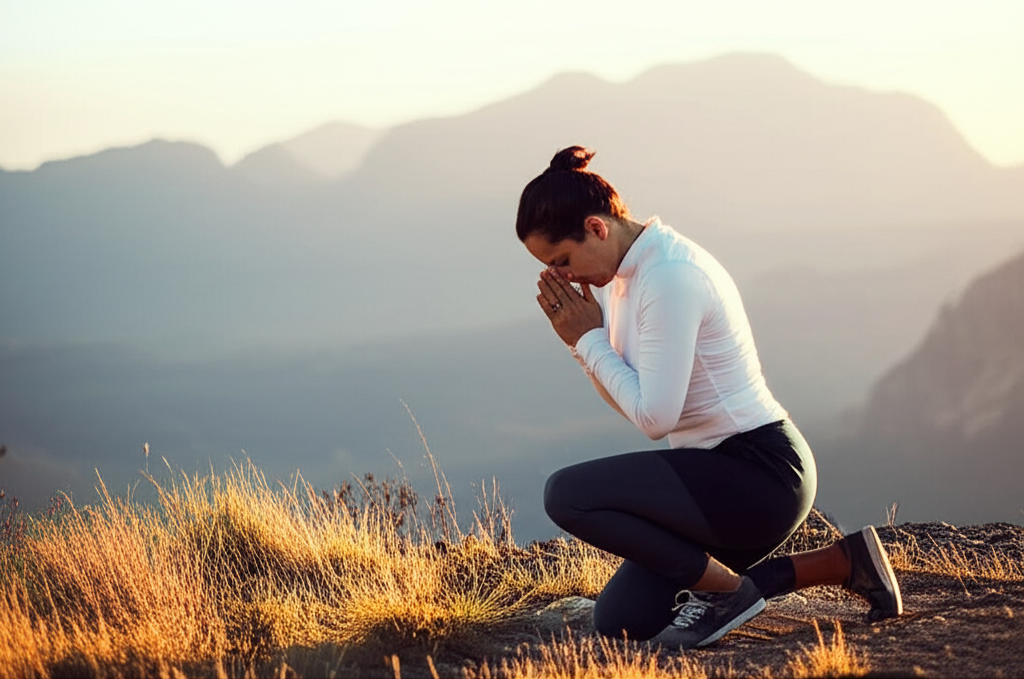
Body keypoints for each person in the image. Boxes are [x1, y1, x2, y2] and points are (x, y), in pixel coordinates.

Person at [516, 146, 902, 647]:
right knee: (621, 620)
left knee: (566, 495)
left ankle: (725, 592)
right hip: (711, 481)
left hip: (760, 473)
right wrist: (582, 345)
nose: (563, 276)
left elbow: (655, 418)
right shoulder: (619, 278)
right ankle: (842, 562)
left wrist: (588, 341)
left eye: (562, 260)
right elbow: (632, 398)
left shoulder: (669, 275)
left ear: (596, 227)